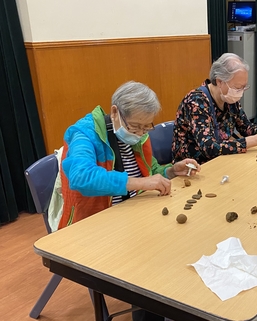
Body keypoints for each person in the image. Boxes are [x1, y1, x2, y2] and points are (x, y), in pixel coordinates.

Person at [58, 81, 200, 321]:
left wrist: (171, 172)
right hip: (95, 227)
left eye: (147, 127)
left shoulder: (139, 136)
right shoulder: (84, 134)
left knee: (183, 244)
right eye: (135, 126)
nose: (140, 133)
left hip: (135, 216)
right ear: (115, 113)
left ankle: (171, 307)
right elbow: (81, 177)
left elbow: (150, 171)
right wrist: (138, 183)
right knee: (155, 265)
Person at [172, 53, 257, 164]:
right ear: (219, 81)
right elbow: (209, 148)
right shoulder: (196, 102)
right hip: (195, 166)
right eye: (237, 87)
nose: (240, 92)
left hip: (221, 160)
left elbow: (244, 126)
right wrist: (256, 140)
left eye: (243, 87)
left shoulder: (229, 98)